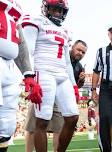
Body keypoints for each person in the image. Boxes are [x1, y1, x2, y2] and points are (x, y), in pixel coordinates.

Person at [20, 0, 80, 151]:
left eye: (61, 11)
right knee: (42, 121)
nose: (58, 13)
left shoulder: (65, 30)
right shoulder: (36, 21)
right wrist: (30, 76)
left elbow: (67, 61)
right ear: (46, 8)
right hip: (44, 72)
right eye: (54, 9)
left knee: (72, 117)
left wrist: (73, 85)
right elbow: (28, 51)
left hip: (62, 75)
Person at [24, 39, 87, 152]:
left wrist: (81, 81)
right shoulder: (59, 54)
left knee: (59, 129)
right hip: (44, 89)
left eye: (83, 52)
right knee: (33, 126)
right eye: (79, 50)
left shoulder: (79, 67)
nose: (80, 53)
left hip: (59, 99)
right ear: (72, 47)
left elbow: (75, 86)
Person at [0, 0, 43, 151]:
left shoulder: (14, 6)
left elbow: (19, 40)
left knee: (6, 125)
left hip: (9, 65)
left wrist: (28, 74)